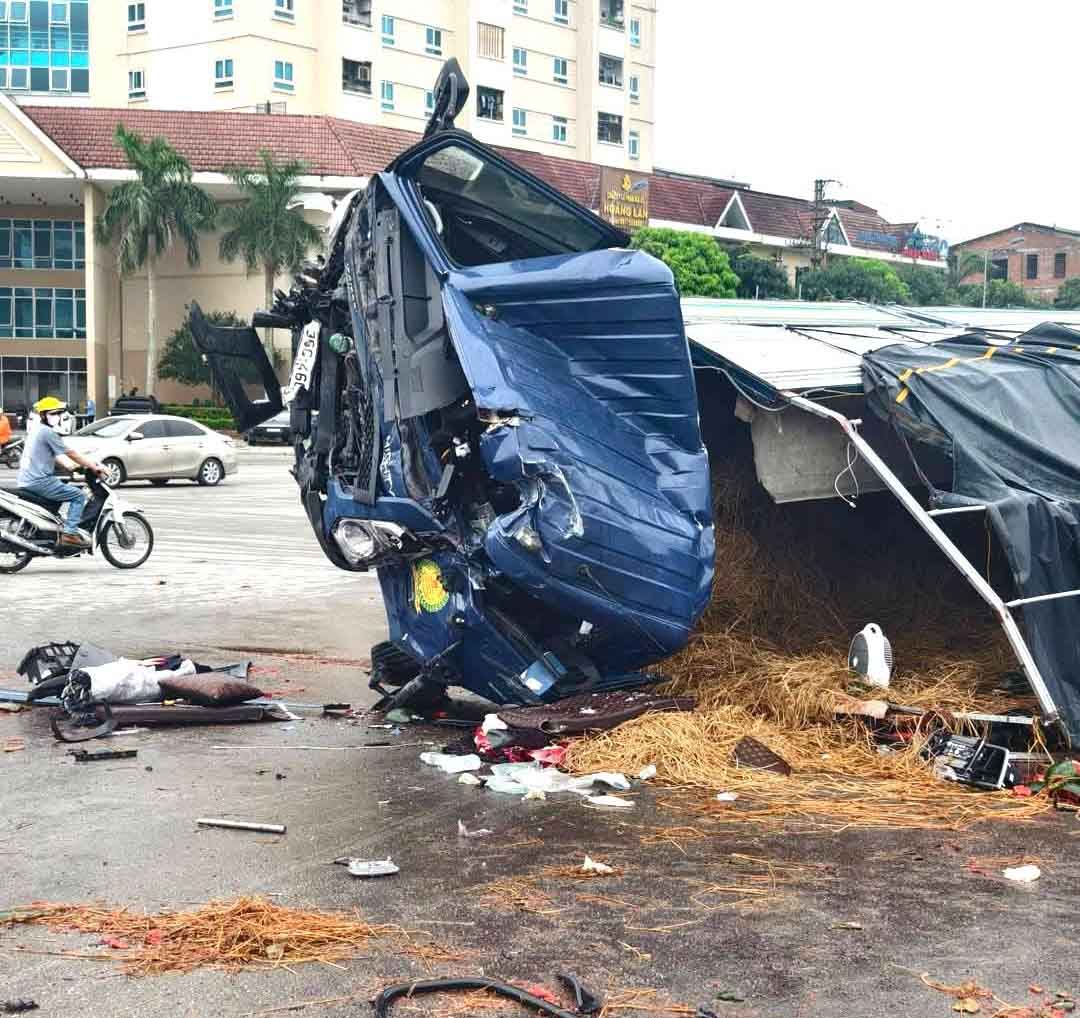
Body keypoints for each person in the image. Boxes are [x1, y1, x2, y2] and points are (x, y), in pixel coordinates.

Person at [16, 396, 106, 549]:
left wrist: (72, 467)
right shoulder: (47, 432)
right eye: (53, 413)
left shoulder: (36, 431)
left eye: (59, 413)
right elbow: (71, 453)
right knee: (78, 496)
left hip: (28, 480)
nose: (57, 416)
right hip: (40, 481)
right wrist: (94, 467)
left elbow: (56, 457)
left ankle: (53, 530)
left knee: (63, 486)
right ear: (43, 415)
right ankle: (70, 534)